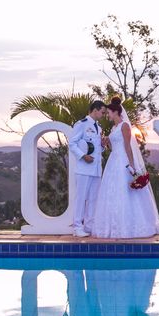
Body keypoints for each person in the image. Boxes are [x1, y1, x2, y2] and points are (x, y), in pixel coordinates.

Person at [91, 97, 159, 239]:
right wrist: (106, 142)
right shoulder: (114, 128)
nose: (107, 115)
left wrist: (132, 164)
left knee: (124, 191)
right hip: (113, 160)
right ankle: (112, 226)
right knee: (112, 190)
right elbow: (114, 145)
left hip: (123, 160)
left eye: (108, 112)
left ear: (115, 112)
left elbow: (127, 146)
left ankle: (130, 226)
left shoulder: (124, 126)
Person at [69, 100, 106, 237]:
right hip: (84, 169)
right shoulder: (81, 124)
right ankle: (77, 227)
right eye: (102, 112)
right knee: (81, 198)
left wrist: (102, 145)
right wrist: (83, 156)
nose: (103, 115)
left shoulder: (99, 127)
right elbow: (72, 144)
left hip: (96, 169)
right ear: (95, 110)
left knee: (93, 198)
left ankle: (89, 226)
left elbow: (97, 149)